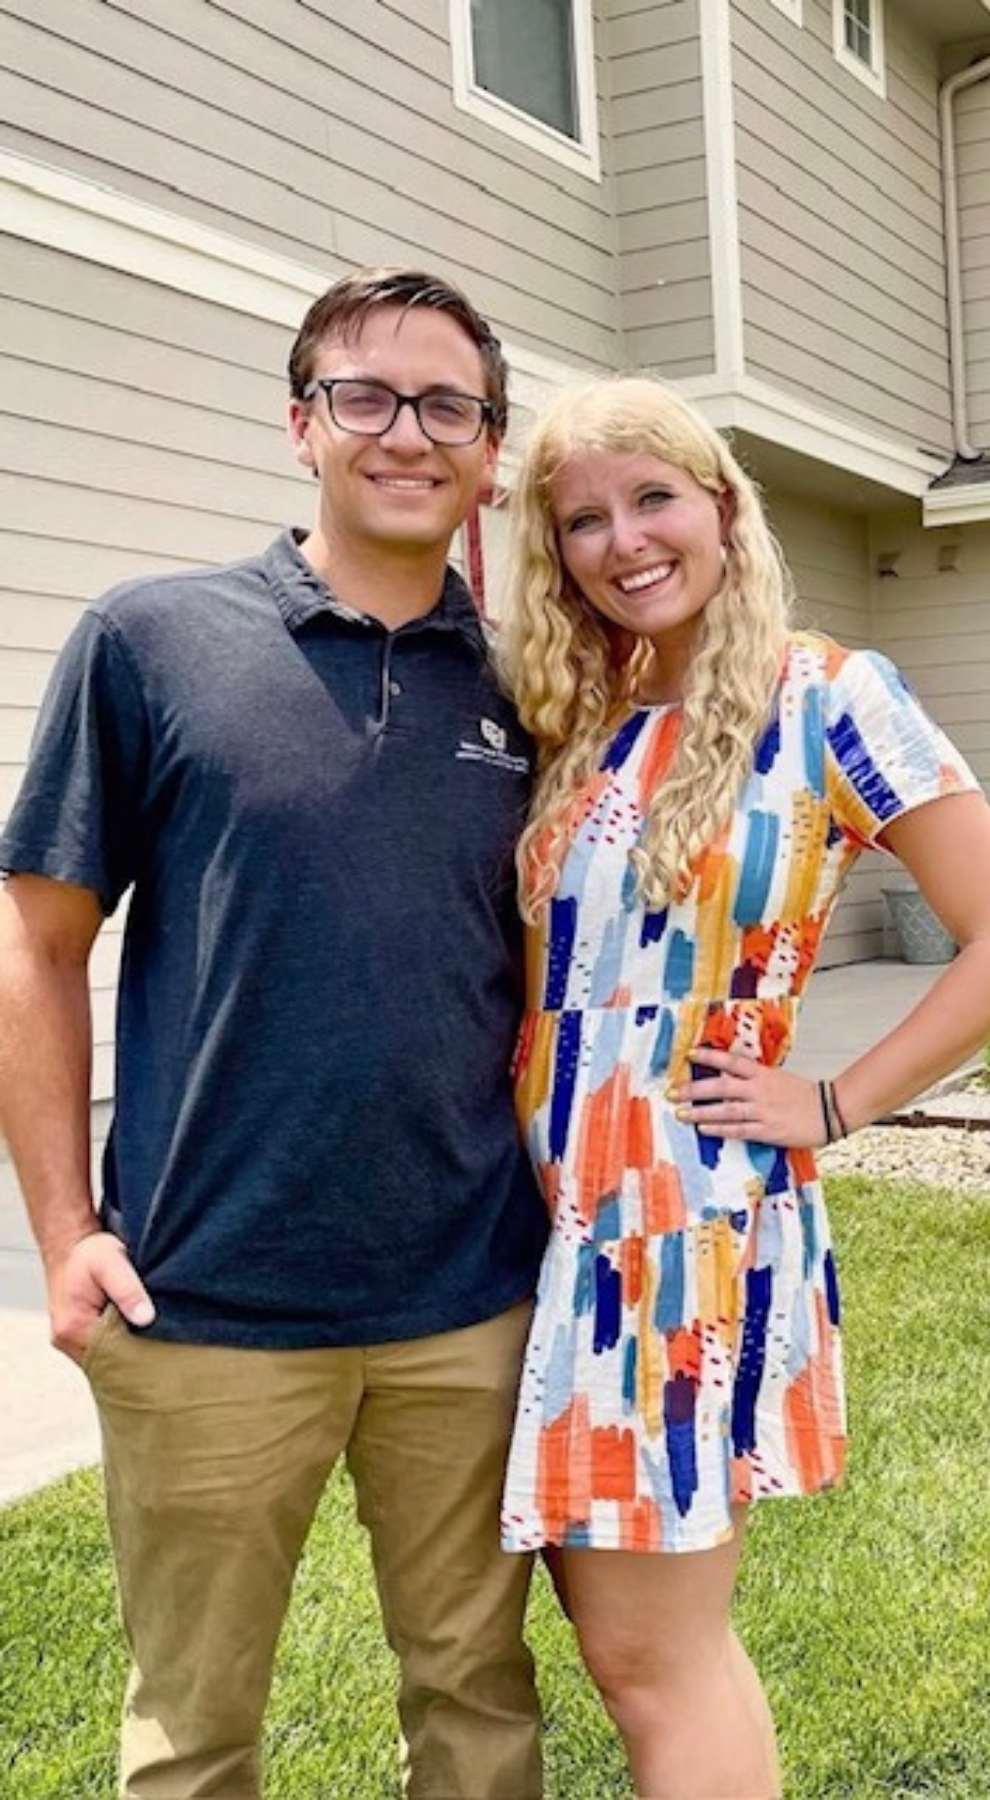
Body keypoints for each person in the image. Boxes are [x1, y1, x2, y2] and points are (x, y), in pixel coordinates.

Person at [0, 267, 549, 1799]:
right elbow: (37, 952)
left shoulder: (535, 684)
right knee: (191, 1739)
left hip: (472, 1302)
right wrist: (63, 1233)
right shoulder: (151, 640)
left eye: (450, 405)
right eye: (366, 396)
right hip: (205, 1305)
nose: (408, 433)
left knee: (479, 1707)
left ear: (491, 453)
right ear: (301, 423)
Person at [495, 375, 990, 1798]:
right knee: (624, 1645)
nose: (623, 541)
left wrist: (832, 1102)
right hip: (534, 1220)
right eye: (583, 519)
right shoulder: (572, 711)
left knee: (650, 1659)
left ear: (724, 506)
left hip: (675, 1224)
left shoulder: (828, 696)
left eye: (653, 499)